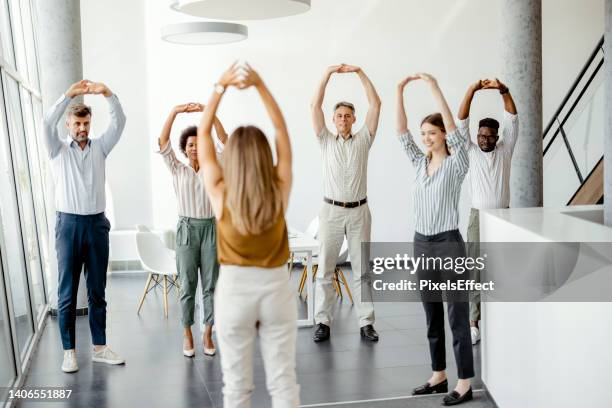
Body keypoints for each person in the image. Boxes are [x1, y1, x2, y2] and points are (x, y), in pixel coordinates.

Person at [197, 62, 299, 407]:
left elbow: (203, 132)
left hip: (234, 291)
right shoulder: (279, 187)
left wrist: (219, 86)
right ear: (263, 155)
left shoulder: (220, 190)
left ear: (234, 158)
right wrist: (260, 85)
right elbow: (281, 129)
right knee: (283, 382)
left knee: (236, 388)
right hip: (275, 288)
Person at [396, 73, 474, 405]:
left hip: (448, 242)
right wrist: (400, 90)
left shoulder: (457, 164)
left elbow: (458, 131)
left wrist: (433, 88)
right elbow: (401, 132)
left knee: (456, 315)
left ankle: (465, 382)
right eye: (424, 134)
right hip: (421, 242)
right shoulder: (418, 163)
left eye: (432, 133)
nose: (426, 138)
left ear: (444, 135)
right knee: (431, 313)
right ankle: (438, 375)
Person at [42, 79, 126, 373]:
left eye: (86, 123)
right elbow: (45, 123)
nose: (82, 129)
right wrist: (68, 95)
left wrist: (106, 92)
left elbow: (120, 121)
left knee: (97, 290)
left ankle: (100, 347)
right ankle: (69, 352)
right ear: (68, 125)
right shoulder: (57, 151)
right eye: (77, 124)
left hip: (96, 225)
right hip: (67, 226)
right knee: (66, 293)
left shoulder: (101, 147)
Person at [310, 63, 382, 343]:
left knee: (362, 270)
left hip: (359, 212)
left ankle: (366, 323)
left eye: (347, 116)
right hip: (331, 212)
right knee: (326, 269)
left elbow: (376, 104)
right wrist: (327, 74)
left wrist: (360, 72)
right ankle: (323, 323)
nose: (343, 119)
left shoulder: (364, 140)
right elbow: (314, 105)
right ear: (333, 119)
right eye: (338, 115)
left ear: (354, 119)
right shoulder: (325, 141)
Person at [157, 102, 227, 357]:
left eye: (199, 143)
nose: (196, 148)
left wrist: (211, 113)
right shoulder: (177, 169)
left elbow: (224, 140)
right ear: (185, 149)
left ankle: (207, 333)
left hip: (210, 228)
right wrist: (174, 112)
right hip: (186, 230)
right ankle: (187, 332)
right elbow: (163, 141)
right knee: (187, 285)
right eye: (191, 145)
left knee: (210, 285)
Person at [457, 78, 518, 345]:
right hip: (477, 218)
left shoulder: (505, 150)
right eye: (480, 135)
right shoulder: (470, 151)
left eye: (489, 136)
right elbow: (461, 121)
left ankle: (502, 319)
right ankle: (474, 323)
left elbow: (513, 118)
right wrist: (471, 89)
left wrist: (503, 90)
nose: (483, 139)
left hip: (504, 218)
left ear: (496, 137)